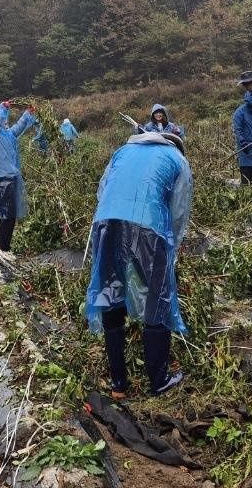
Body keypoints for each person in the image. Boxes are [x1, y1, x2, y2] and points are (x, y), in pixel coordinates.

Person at [85, 130, 192, 398]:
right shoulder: (177, 159)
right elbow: (178, 212)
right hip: (150, 224)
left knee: (111, 291)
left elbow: (103, 190)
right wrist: (172, 249)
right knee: (158, 297)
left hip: (106, 221)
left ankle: (118, 382)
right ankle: (159, 380)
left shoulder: (122, 152)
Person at [0, 100, 38, 261]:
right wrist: (1, 108)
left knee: (10, 213)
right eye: (2, 120)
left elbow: (20, 126)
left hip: (11, 178)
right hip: (2, 179)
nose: (5, 122)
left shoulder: (8, 135)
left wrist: (29, 113)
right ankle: (2, 246)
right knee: (7, 213)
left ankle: (2, 244)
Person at [232, 94, 252, 185]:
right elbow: (238, 130)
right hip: (246, 151)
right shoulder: (239, 113)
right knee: (246, 182)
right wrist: (242, 141)